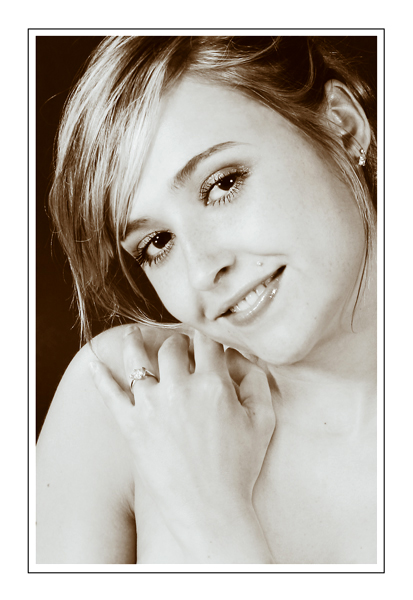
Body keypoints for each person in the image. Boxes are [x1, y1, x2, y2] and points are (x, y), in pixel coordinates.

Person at [36, 36, 378, 565]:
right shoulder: (122, 399)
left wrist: (213, 519)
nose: (201, 270)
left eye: (222, 185)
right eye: (157, 243)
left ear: (342, 125)